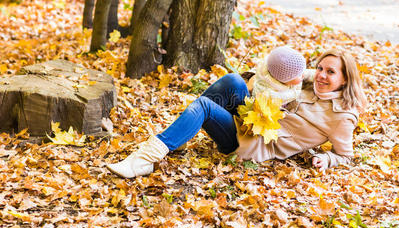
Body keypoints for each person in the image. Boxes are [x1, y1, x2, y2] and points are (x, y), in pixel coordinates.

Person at [106, 48, 367, 178]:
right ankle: (181, 136)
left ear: (345, 79)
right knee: (232, 81)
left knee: (204, 107)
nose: (322, 75)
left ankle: (145, 158)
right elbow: (286, 71)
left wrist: (328, 160)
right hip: (251, 121)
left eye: (331, 72)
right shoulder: (308, 83)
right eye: (320, 68)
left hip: (253, 144)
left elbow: (346, 155)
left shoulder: (341, 117)